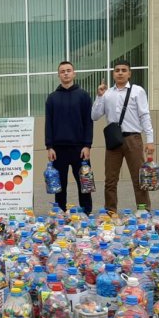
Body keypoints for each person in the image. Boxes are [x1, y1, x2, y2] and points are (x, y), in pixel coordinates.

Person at [92, 60, 155, 214]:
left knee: (138, 177)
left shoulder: (137, 91)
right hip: (114, 140)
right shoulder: (107, 94)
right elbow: (94, 116)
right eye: (117, 70)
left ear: (129, 73)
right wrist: (99, 96)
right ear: (113, 74)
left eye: (124, 70)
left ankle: (143, 210)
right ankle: (110, 211)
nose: (120, 73)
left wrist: (150, 140)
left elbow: (144, 115)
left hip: (133, 139)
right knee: (110, 179)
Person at [45, 61, 94, 215]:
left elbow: (88, 122)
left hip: (80, 149)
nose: (66, 73)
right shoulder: (52, 98)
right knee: (60, 186)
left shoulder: (84, 96)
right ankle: (60, 213)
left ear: (74, 73)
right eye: (62, 71)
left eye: (68, 70)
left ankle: (86, 214)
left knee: (84, 183)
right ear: (59, 75)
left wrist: (87, 145)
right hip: (58, 149)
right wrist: (49, 146)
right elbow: (49, 123)